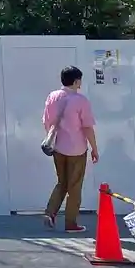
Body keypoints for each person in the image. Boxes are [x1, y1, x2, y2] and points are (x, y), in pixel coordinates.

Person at [42, 65, 99, 232]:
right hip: (77, 149)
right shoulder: (81, 100)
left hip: (57, 147)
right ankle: (71, 223)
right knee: (74, 186)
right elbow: (87, 127)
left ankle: (50, 213)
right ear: (76, 81)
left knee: (62, 182)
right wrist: (94, 149)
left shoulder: (52, 96)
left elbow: (46, 121)